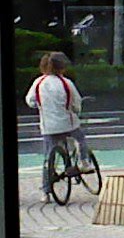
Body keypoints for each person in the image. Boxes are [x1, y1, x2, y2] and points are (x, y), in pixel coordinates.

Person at [25, 51, 94, 204]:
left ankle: (46, 192)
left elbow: (30, 101)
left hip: (48, 126)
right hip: (67, 124)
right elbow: (76, 103)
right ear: (62, 67)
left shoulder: (39, 82)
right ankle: (84, 162)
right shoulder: (66, 83)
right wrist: (76, 111)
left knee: (48, 157)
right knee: (80, 138)